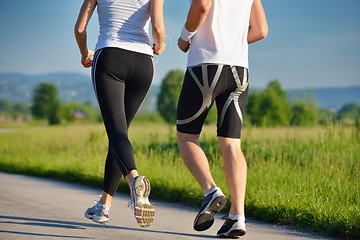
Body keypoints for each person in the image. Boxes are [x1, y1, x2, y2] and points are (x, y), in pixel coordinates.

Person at [176, 0, 268, 237]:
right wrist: (232, 42)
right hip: (239, 69)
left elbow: (202, 6)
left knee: (187, 136)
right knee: (231, 143)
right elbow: (261, 30)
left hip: (204, 65)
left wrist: (185, 37)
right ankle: (238, 217)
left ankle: (211, 191)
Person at [74, 0, 166, 227]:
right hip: (144, 63)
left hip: (110, 56)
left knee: (117, 133)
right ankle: (103, 206)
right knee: (120, 134)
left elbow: (79, 28)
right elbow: (158, 27)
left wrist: (84, 52)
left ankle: (134, 180)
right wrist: (160, 44)